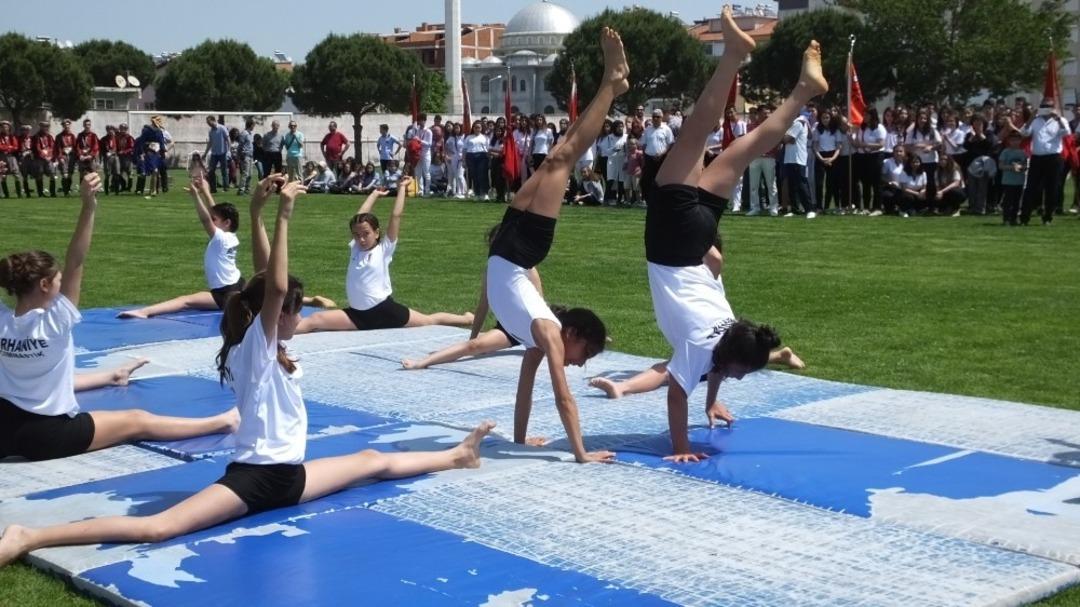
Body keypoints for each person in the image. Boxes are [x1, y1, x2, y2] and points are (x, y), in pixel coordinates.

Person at [0, 175, 495, 568]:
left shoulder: (268, 344)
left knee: (371, 459)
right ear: (274, 316)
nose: (299, 317)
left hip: (288, 476)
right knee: (159, 527)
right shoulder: (252, 350)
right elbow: (273, 286)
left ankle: (457, 455)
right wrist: (283, 215)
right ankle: (30, 535)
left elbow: (264, 284)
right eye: (293, 310)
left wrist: (258, 214)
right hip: (257, 480)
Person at [643, 6, 826, 461]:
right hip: (673, 242)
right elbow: (676, 391)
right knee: (698, 130)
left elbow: (712, 370)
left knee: (744, 149)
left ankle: (804, 91)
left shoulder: (730, 328)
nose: (740, 377)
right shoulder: (704, 343)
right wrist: (681, 447)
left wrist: (712, 399)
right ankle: (732, 57)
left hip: (698, 239)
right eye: (745, 372)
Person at [0, 173, 239, 463]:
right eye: (58, 279)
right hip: (47, 435)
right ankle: (223, 421)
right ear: (44, 285)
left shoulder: (3, 320)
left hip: (6, 429)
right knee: (136, 420)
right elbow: (76, 259)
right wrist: (89, 206)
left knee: (45, 374)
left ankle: (112, 375)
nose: (63, 283)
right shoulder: (55, 321)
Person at [485, 27, 629, 464]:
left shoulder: (540, 335)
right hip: (522, 249)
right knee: (564, 157)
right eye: (584, 356)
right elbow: (564, 398)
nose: (578, 365)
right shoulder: (547, 332)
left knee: (557, 155)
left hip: (507, 246)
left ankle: (613, 82)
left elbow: (526, 389)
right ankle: (613, 81)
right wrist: (581, 453)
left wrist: (519, 440)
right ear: (574, 335)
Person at [296, 179, 474, 334]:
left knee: (428, 321)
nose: (361, 238)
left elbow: (396, 216)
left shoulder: (383, 250)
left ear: (376, 232)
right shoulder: (355, 249)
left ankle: (466, 319)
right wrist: (374, 195)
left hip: (384, 310)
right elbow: (359, 217)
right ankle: (275, 334)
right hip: (357, 316)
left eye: (366, 233)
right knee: (315, 319)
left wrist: (402, 188)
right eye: (357, 235)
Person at [402, 225, 542, 370]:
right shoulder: (491, 269)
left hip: (532, 327)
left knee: (555, 349)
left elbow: (540, 304)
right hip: (508, 329)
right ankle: (423, 362)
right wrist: (473, 337)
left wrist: (539, 335)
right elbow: (483, 305)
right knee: (474, 346)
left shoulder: (528, 268)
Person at [1011, 97, 1068, 225]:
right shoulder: (1035, 121)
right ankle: (1025, 217)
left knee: (1052, 188)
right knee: (1031, 187)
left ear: (1053, 108)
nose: (1046, 109)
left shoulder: (1060, 120)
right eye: (1043, 106)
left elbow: (1066, 133)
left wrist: (1058, 119)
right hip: (1037, 157)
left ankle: (1048, 217)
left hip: (1054, 158)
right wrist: (1031, 117)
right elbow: (1024, 133)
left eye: (1048, 106)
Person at [746, 105, 780, 216]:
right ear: (759, 113)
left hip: (769, 158)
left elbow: (776, 142)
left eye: (768, 113)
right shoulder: (751, 126)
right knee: (754, 185)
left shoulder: (773, 126)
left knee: (771, 184)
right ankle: (755, 207)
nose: (767, 115)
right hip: (755, 158)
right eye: (765, 113)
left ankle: (774, 208)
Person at [855, 108, 886, 216]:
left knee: (876, 183)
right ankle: (867, 207)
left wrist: (866, 145)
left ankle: (877, 207)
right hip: (864, 157)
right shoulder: (862, 128)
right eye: (864, 115)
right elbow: (858, 142)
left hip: (876, 156)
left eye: (867, 115)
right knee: (866, 183)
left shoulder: (879, 128)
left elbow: (881, 144)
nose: (865, 117)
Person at [640, 109, 674, 197]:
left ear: (661, 118)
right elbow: (643, 144)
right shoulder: (647, 130)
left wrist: (662, 154)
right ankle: (647, 198)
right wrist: (645, 156)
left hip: (661, 158)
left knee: (660, 179)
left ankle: (661, 198)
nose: (655, 118)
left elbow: (670, 144)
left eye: (658, 117)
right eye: (654, 116)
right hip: (649, 158)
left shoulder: (666, 129)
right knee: (647, 179)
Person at [998, 130, 1028, 226]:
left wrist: (1021, 167)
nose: (1015, 142)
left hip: (1019, 181)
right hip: (1008, 181)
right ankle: (1006, 218)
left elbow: (1025, 166)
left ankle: (1014, 219)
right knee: (1008, 201)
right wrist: (1012, 167)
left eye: (1017, 140)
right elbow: (1001, 166)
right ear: (1009, 141)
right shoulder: (1006, 152)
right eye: (1012, 140)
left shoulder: (1023, 152)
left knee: (1017, 202)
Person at [204, 116, 231, 193]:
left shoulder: (222, 128)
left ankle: (226, 187)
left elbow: (228, 139)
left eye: (209, 123)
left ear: (213, 120)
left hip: (223, 153)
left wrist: (229, 150)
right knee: (211, 171)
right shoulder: (211, 131)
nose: (209, 124)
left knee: (224, 171)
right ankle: (213, 188)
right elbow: (210, 143)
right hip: (214, 154)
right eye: (207, 123)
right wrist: (205, 153)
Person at [464, 122, 491, 200]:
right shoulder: (469, 137)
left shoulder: (485, 137)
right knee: (474, 176)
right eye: (475, 127)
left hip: (482, 156)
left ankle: (485, 193)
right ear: (473, 128)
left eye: (479, 127)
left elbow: (488, 150)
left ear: (481, 128)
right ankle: (477, 193)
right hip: (471, 156)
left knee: (482, 175)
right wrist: (463, 160)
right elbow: (464, 150)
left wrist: (489, 160)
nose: (477, 129)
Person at [30, 121, 56, 198]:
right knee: (39, 175)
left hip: (49, 158)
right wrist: (44, 156)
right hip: (39, 159)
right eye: (43, 126)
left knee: (52, 174)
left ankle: (52, 193)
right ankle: (40, 193)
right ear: (40, 127)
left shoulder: (49, 137)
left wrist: (50, 156)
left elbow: (52, 147)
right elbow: (37, 148)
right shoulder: (36, 137)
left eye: (46, 126)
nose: (44, 128)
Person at [54, 119, 79, 196]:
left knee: (70, 175)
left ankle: (68, 190)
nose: (67, 127)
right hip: (64, 156)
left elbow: (75, 146)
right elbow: (57, 148)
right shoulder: (59, 136)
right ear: (63, 126)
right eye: (65, 126)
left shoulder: (72, 136)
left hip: (71, 157)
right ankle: (65, 191)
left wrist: (76, 157)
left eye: (68, 125)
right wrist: (60, 157)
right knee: (65, 175)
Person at [411, 114, 434, 196]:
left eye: (422, 120)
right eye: (419, 120)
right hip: (417, 154)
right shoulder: (417, 130)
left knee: (426, 173)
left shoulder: (428, 131)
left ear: (425, 121)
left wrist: (420, 140)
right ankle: (420, 190)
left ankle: (427, 190)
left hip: (426, 154)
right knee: (418, 173)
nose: (420, 122)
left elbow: (429, 144)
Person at [0, 121, 23, 198]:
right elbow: (0, 146)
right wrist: (8, 147)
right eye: (3, 127)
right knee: (3, 176)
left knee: (16, 175)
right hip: (2, 157)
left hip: (11, 157)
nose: (4, 128)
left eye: (6, 127)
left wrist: (8, 149)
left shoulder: (12, 136)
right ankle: (6, 194)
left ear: (9, 128)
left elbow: (16, 146)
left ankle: (19, 193)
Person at [236, 119, 256, 196]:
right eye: (253, 125)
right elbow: (240, 146)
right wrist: (240, 156)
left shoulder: (250, 134)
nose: (254, 127)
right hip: (245, 156)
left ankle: (247, 189)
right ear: (250, 125)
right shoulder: (244, 134)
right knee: (245, 173)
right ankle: (241, 190)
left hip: (251, 156)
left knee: (250, 174)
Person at [115, 123, 136, 194]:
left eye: (124, 129)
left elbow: (132, 148)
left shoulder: (129, 137)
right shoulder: (117, 137)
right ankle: (123, 185)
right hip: (119, 157)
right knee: (119, 172)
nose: (122, 130)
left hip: (127, 157)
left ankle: (129, 187)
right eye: (121, 129)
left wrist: (124, 152)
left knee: (129, 173)